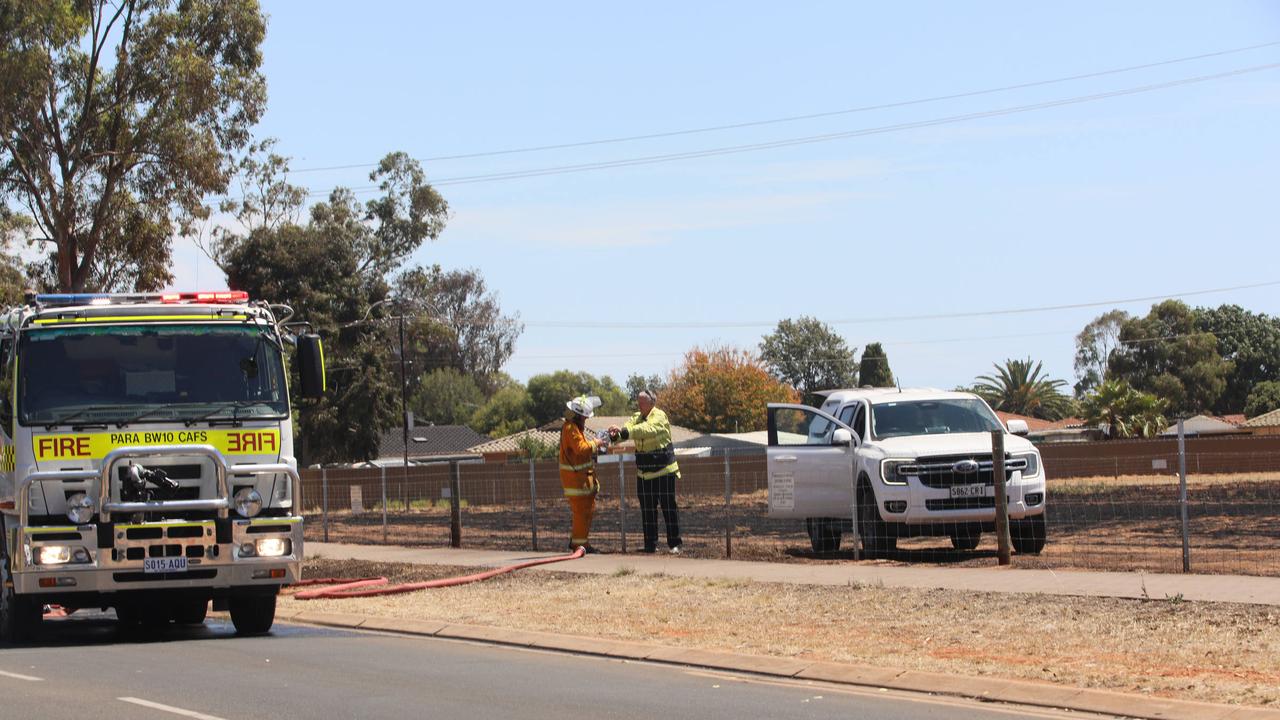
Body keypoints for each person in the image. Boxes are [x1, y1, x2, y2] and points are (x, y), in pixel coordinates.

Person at [610, 390, 682, 554]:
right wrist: (616, 435)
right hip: (644, 473)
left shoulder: (659, 416)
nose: (639, 405)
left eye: (642, 402)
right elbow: (628, 429)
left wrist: (627, 432)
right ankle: (650, 545)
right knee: (647, 510)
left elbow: (647, 429)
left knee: (668, 508)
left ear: (652, 403)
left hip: (664, 471)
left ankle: (674, 544)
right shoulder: (636, 417)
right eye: (638, 402)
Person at [559, 394, 606, 553]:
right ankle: (579, 545)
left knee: (586, 512)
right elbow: (581, 449)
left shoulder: (574, 428)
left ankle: (581, 542)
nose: (586, 420)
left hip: (582, 480)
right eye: (585, 417)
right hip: (575, 481)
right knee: (581, 513)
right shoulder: (571, 428)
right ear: (578, 415)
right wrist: (596, 443)